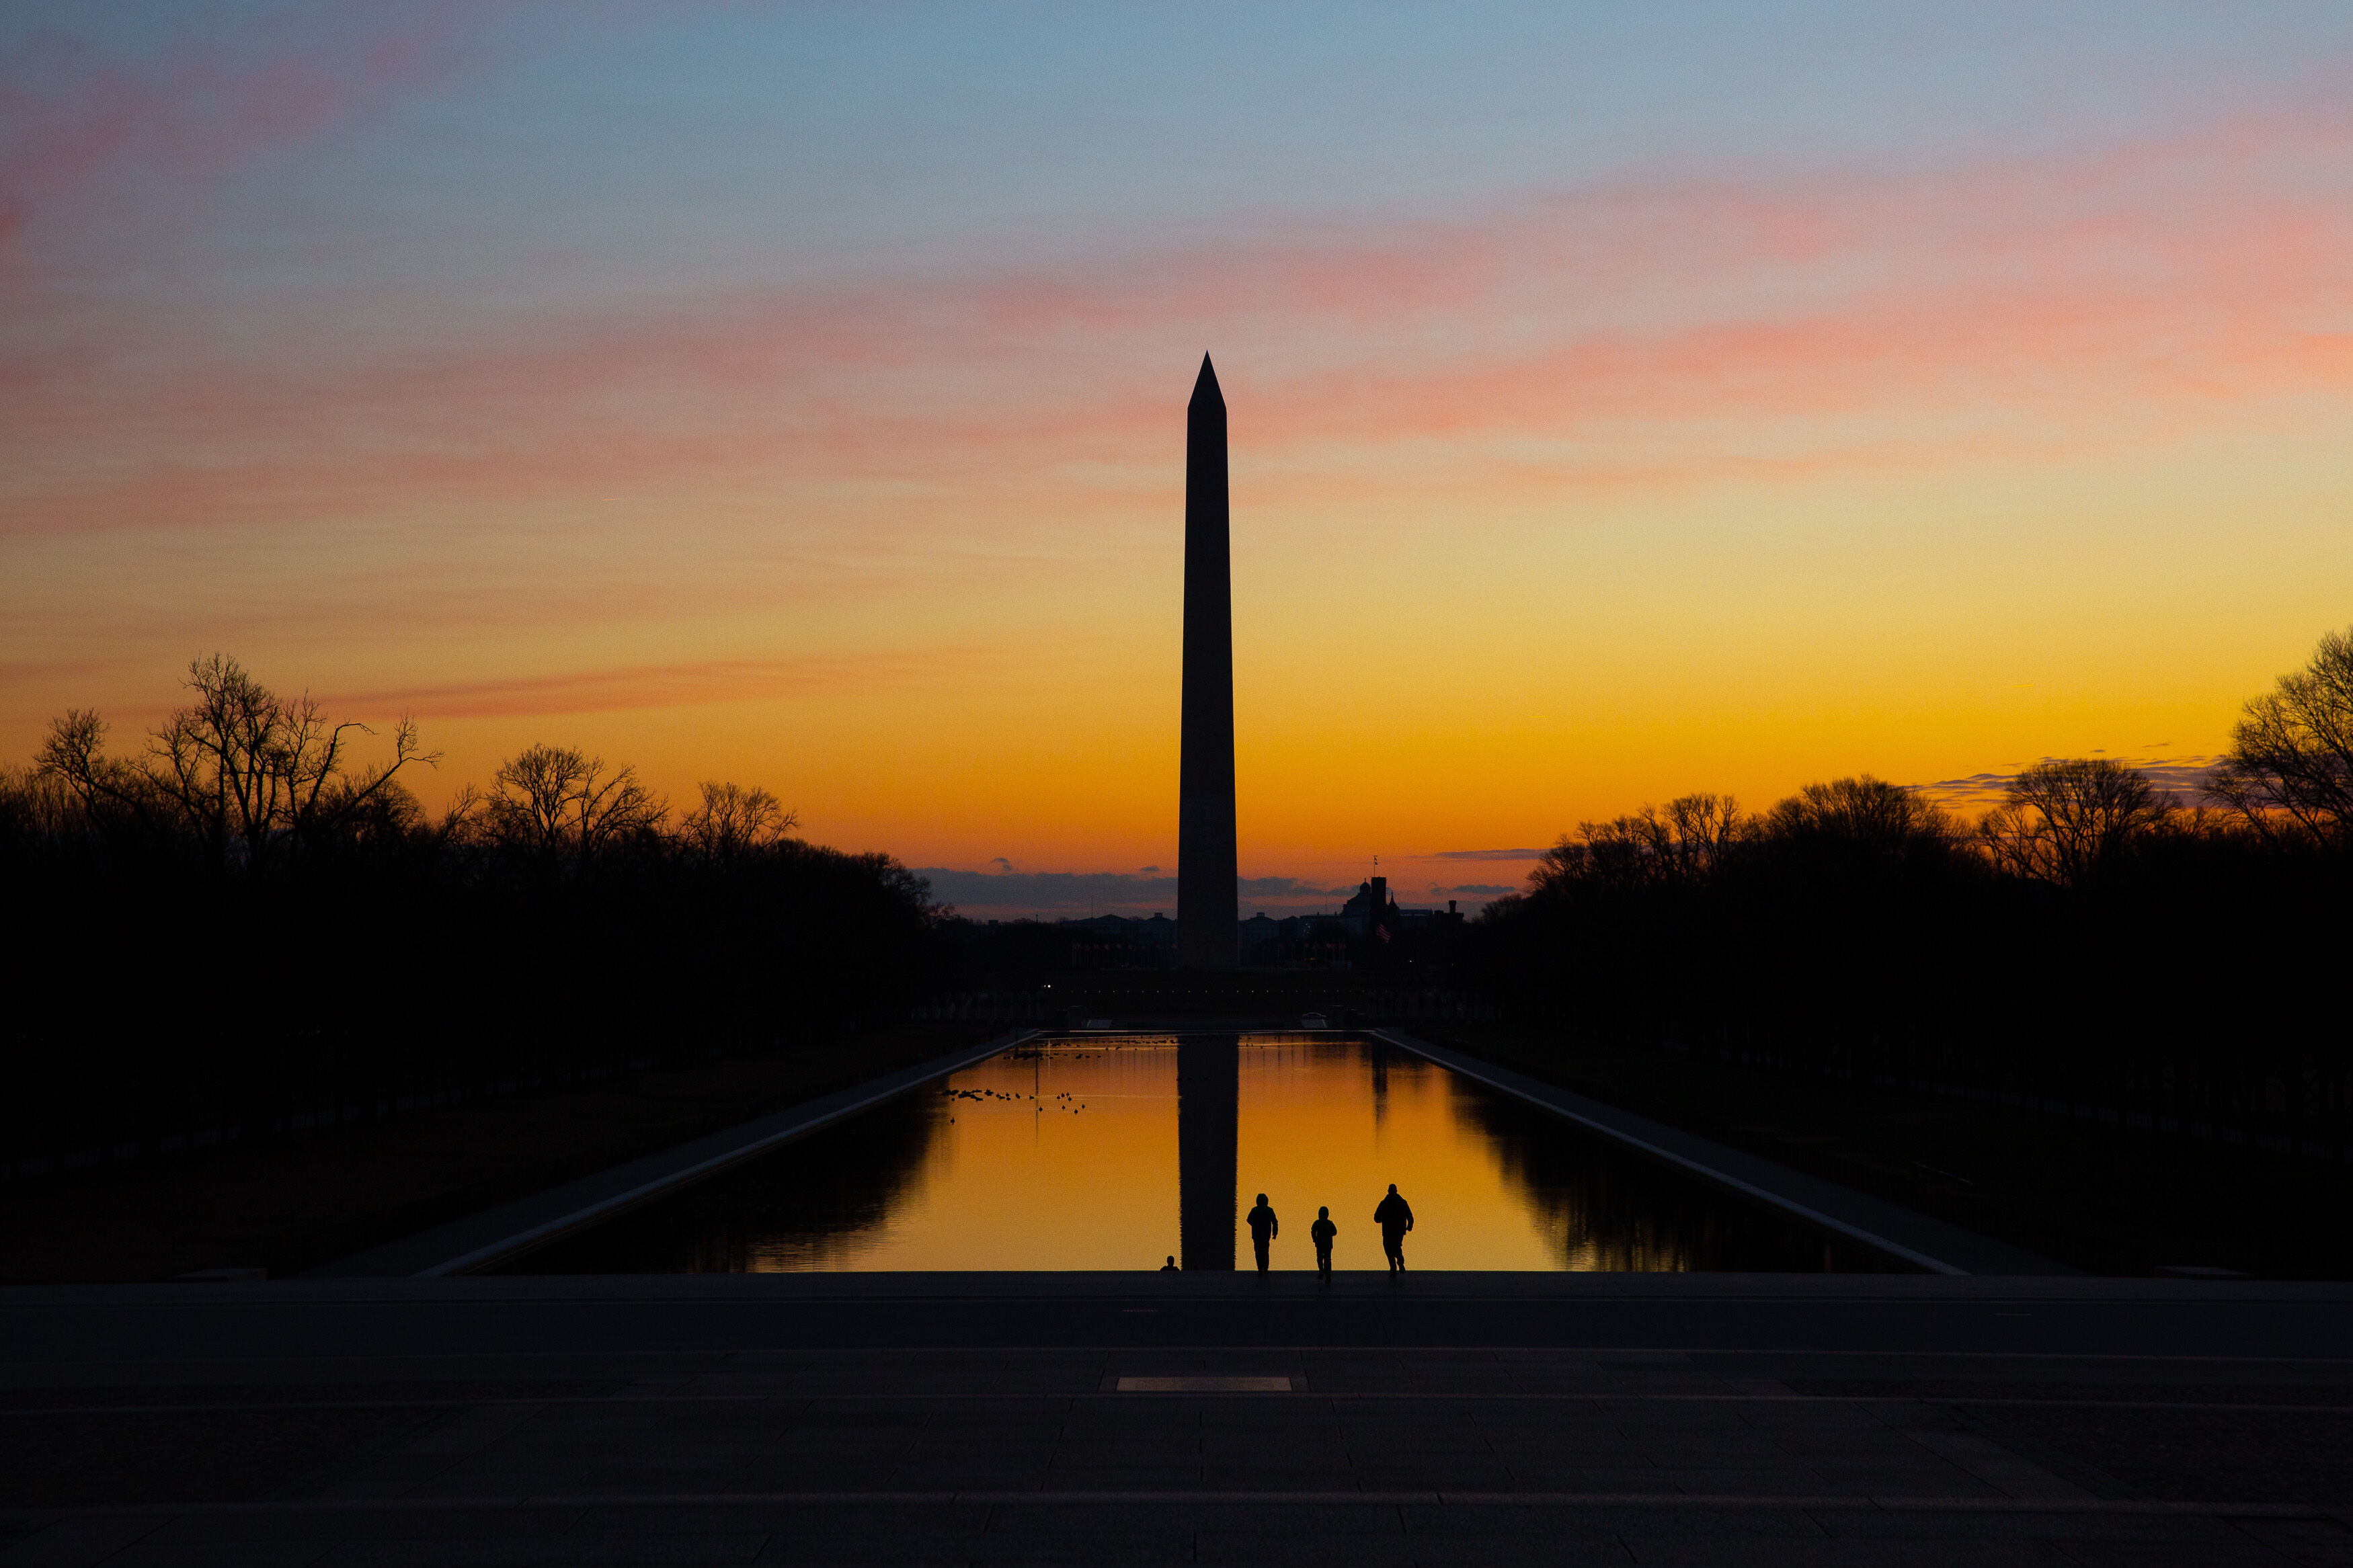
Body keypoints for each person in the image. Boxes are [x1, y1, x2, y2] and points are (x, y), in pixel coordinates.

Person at [1373, 1183, 1413, 1272]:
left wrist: (1381, 1220)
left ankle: (1394, 1266)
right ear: (1396, 1191)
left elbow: (1376, 1217)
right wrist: (1409, 1226)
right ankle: (1400, 1260)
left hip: (1388, 1230)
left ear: (1388, 1191)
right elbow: (1410, 1216)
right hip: (1399, 1230)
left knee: (1388, 1248)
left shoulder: (1384, 1203)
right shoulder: (1402, 1202)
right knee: (1396, 1246)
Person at [1245, 1192, 1279, 1274]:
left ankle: (1260, 1268)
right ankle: (1266, 1268)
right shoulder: (1269, 1210)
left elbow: (1248, 1219)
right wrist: (1275, 1232)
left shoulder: (1254, 1210)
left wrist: (1255, 1224)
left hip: (1256, 1234)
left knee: (1258, 1251)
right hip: (1266, 1234)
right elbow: (1275, 1222)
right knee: (1265, 1251)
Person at [1310, 1206, 1337, 1280]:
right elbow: (1335, 1232)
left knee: (1321, 1258)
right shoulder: (1329, 1223)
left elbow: (1313, 1232)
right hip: (1326, 1244)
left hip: (1321, 1244)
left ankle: (1322, 1272)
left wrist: (1315, 1239)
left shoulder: (1317, 1223)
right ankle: (1327, 1274)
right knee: (1327, 1259)